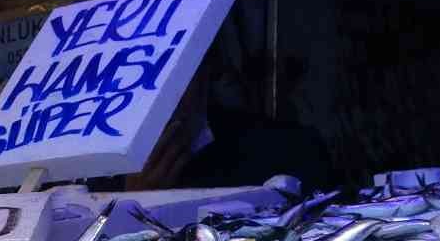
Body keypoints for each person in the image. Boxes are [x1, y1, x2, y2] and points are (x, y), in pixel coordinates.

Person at [124, 53, 334, 192]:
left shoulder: (291, 149)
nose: (159, 93)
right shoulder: (101, 168)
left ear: (206, 69)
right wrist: (130, 205)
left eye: (175, 72)